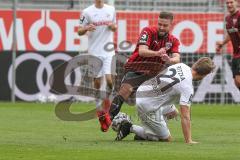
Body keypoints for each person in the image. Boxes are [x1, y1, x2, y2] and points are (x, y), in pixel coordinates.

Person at [102, 11, 181, 132]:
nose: (161, 27)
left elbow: (177, 58)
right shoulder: (148, 31)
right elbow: (142, 51)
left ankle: (151, 131)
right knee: (125, 90)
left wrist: (169, 59)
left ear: (171, 25)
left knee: (173, 113)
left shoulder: (173, 40)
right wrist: (157, 53)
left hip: (153, 75)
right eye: (159, 24)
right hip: (136, 69)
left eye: (165, 25)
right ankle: (108, 119)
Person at [115, 57, 216, 144]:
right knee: (166, 139)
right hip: (148, 105)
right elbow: (185, 116)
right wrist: (188, 140)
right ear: (204, 75)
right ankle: (130, 127)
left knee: (173, 113)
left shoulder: (181, 65)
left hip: (143, 90)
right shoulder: (187, 87)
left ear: (196, 64)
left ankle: (151, 129)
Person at [78, 0, 117, 131]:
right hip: (94, 52)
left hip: (108, 51)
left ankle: (106, 103)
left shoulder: (111, 9)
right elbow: (79, 31)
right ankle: (100, 112)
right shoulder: (87, 12)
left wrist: (113, 27)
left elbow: (115, 27)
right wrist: (86, 28)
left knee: (110, 81)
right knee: (97, 84)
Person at [216, 0, 240, 90]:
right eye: (227, 3)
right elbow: (230, 34)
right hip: (236, 53)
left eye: (231, 2)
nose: (229, 4)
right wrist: (222, 43)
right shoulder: (228, 19)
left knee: (238, 80)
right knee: (236, 83)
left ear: (237, 3)